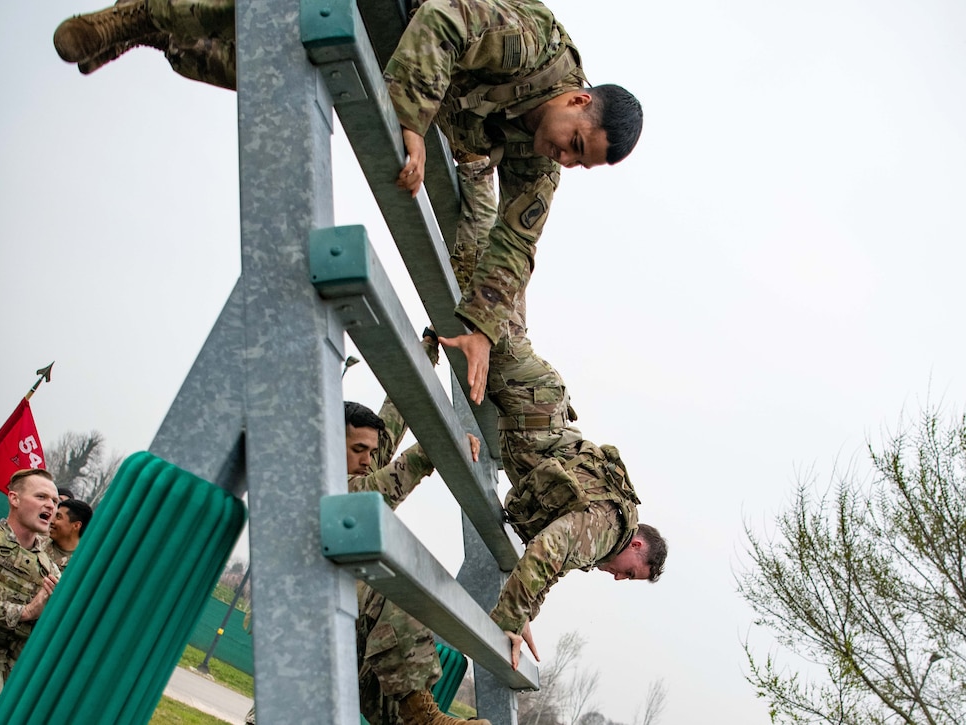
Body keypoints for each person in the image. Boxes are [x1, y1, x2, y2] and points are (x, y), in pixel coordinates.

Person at [52, 0, 644, 404]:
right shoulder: (533, 47)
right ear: (576, 99)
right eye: (574, 144)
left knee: (287, 64)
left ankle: (155, 36)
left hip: (398, 61)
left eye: (577, 162)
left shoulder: (541, 158)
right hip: (404, 10)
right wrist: (410, 121)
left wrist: (483, 327)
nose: (563, 159)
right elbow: (444, 21)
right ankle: (138, 15)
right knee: (270, 9)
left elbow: (516, 241)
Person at [443, 162, 668, 669]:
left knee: (505, 302)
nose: (618, 578)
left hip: (536, 406)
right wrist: (504, 619)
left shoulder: (604, 524)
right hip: (531, 406)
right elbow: (551, 549)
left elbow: (554, 560)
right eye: (631, 572)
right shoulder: (611, 527)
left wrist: (526, 612)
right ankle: (479, 167)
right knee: (479, 286)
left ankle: (485, 172)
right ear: (636, 546)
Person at [245, 336, 488, 725]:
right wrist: (436, 449)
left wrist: (426, 353)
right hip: (300, 625)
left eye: (371, 453)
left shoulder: (357, 461)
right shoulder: (311, 480)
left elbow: (391, 420)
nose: (367, 460)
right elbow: (373, 494)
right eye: (358, 450)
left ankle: (419, 715)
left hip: (347, 627)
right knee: (389, 582)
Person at [0, 469, 62, 709]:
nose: (51, 506)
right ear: (14, 499)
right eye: (41, 497)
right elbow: (29, 612)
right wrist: (26, 612)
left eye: (55, 501)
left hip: (13, 683)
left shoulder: (50, 570)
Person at [40, 498, 93, 571]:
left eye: (58, 517)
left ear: (76, 526)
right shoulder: (36, 543)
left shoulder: (82, 565)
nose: (52, 521)